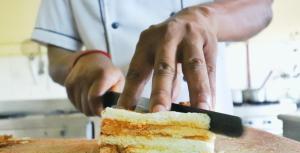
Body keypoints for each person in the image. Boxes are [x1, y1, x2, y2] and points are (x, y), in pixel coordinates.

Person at [32, 0, 273, 116]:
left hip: (207, 118)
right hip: (119, 123)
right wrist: (80, 63)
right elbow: (57, 56)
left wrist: (206, 17)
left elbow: (261, 8)